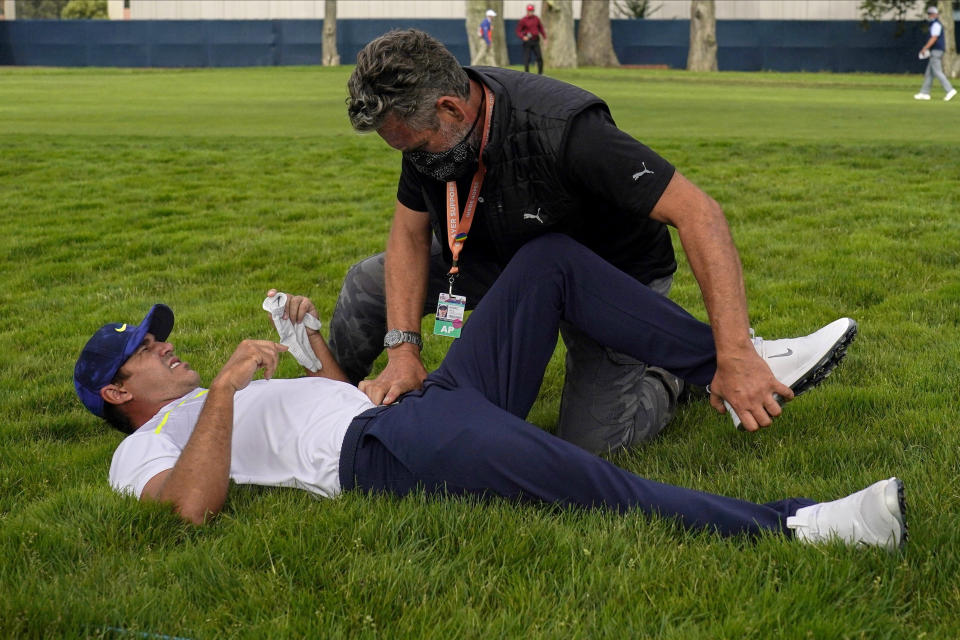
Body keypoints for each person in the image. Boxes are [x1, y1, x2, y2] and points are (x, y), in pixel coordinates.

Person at [74, 234, 904, 551]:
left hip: (404, 403)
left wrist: (310, 346)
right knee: (581, 480)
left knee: (551, 263)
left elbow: (329, 397)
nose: (168, 346)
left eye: (161, 335)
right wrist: (221, 391)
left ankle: (734, 364)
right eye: (149, 350)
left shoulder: (206, 405)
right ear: (118, 392)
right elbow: (191, 509)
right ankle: (801, 525)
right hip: (383, 452)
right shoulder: (140, 449)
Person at [335, 29, 820, 455]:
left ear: (451, 108)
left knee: (592, 442)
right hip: (497, 258)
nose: (414, 160)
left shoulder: (565, 128)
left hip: (607, 279)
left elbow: (701, 213)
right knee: (368, 282)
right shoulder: (426, 130)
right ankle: (329, 400)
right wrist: (403, 350)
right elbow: (409, 235)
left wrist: (732, 353)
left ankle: (668, 375)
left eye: (416, 148)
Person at [914, 5, 957, 102]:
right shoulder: (935, 24)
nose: (929, 16)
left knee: (937, 72)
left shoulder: (936, 24)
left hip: (936, 50)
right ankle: (924, 93)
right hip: (936, 50)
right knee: (929, 73)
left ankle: (949, 90)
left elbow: (934, 38)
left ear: (934, 15)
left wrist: (925, 48)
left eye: (930, 14)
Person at [516, 3, 547, 74]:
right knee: (527, 58)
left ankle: (540, 73)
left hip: (535, 40)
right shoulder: (523, 20)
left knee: (539, 57)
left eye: (532, 11)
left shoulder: (536, 19)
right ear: (527, 11)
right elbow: (518, 31)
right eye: (529, 11)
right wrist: (523, 37)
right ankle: (527, 73)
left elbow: (541, 28)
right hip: (528, 41)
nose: (531, 12)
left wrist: (544, 37)